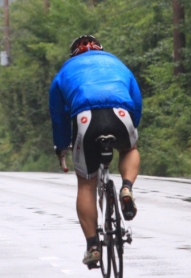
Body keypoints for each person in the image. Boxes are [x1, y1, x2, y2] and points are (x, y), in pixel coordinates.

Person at [49, 35, 142, 269]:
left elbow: (58, 118)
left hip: (85, 119)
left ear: (74, 54)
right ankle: (126, 188)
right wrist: (132, 128)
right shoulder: (117, 63)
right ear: (101, 49)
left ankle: (93, 247)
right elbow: (137, 102)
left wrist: (61, 147)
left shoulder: (64, 72)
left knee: (86, 185)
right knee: (129, 149)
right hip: (121, 115)